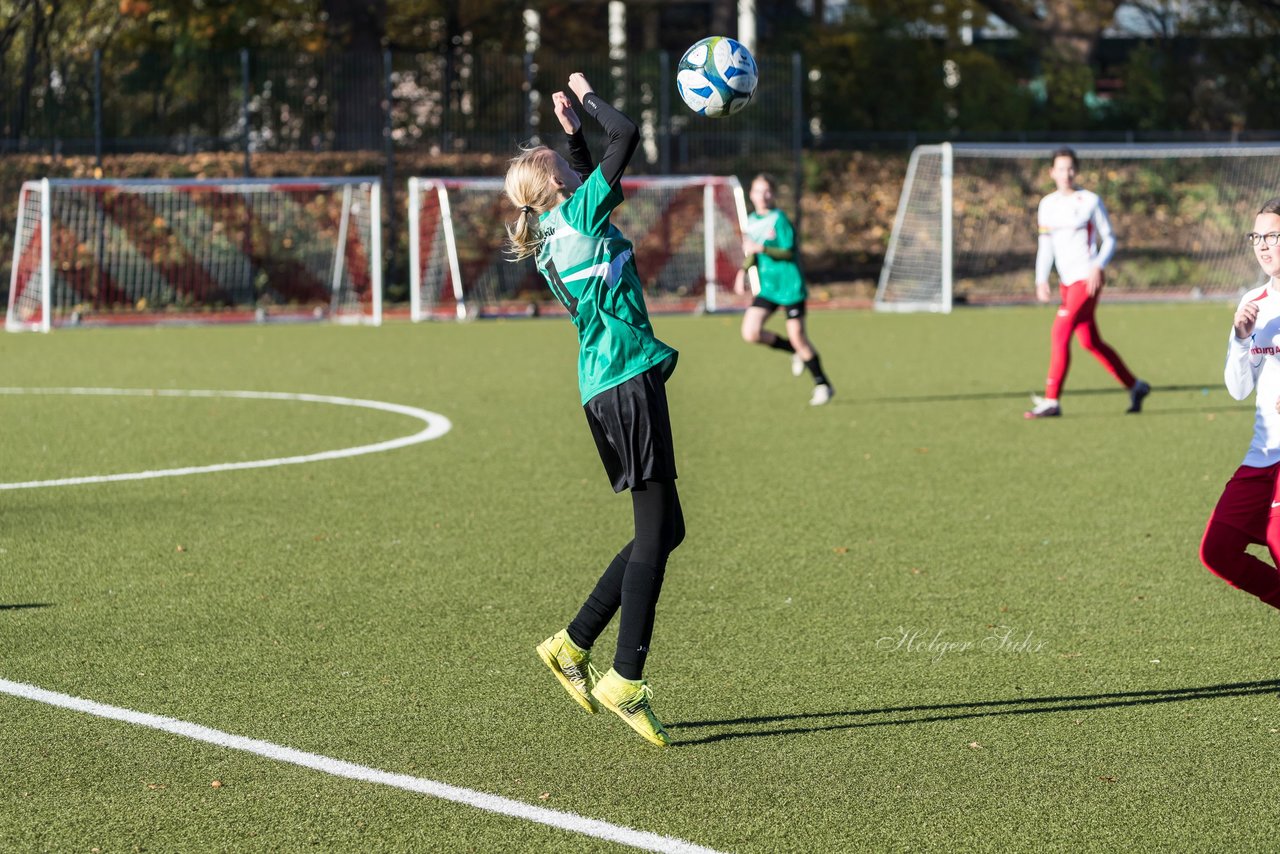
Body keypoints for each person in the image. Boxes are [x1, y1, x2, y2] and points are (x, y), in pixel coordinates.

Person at [504, 73, 684, 748]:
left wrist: (573, 134)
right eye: (557, 162)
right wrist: (585, 95)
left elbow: (592, 168)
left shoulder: (558, 229)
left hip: (608, 385)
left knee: (663, 529)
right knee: (656, 530)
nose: (564, 160)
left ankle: (572, 646)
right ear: (553, 189)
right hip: (626, 383)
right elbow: (629, 137)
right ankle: (624, 679)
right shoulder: (577, 218)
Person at [1025, 147, 1151, 419]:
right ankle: (1136, 386)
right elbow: (1045, 246)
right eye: (1060, 168)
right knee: (1089, 341)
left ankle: (1051, 400)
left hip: (1087, 279)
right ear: (1051, 173)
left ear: (1076, 171)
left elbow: (1110, 239)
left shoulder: (1090, 200)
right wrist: (1041, 278)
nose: (1066, 174)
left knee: (1060, 332)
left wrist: (1098, 266)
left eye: (1070, 168)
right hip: (1067, 283)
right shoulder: (1047, 204)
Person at [1199, 197, 1280, 611]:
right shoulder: (1254, 302)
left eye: (1272, 236)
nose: (1263, 246)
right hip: (1263, 455)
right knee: (1217, 551)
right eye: (1257, 237)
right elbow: (1237, 389)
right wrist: (1242, 337)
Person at [734, 173, 834, 406]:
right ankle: (794, 352)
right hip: (768, 288)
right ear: (752, 194)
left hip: (790, 287)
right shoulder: (750, 220)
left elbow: (789, 252)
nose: (763, 196)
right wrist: (743, 271)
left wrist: (763, 249)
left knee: (798, 336)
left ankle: (823, 385)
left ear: (774, 194)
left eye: (768, 191)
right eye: (759, 191)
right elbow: (752, 251)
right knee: (751, 332)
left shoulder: (780, 220)